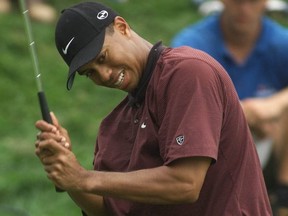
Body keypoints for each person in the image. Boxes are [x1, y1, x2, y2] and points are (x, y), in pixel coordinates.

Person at [34, 1, 272, 215]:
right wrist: (66, 173)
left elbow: (186, 183)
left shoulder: (189, 73)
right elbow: (108, 210)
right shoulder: (111, 127)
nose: (103, 75)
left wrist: (83, 178)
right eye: (90, 73)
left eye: (103, 57)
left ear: (122, 27)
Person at [171, 0, 288, 214]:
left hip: (267, 146)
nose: (244, 9)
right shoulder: (192, 44)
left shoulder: (281, 43)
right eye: (237, 1)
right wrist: (246, 115)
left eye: (252, 2)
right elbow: (178, 105)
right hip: (209, 149)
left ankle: (283, 198)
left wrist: (274, 106)